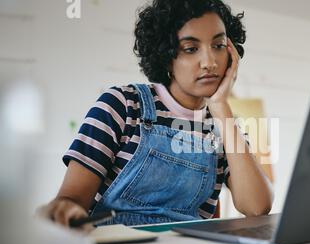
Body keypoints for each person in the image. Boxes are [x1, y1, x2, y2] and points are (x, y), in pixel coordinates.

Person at [40, 0, 273, 228]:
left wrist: (221, 107)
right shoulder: (121, 104)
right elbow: (71, 200)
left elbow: (256, 207)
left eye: (219, 45)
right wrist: (65, 209)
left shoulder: (226, 127)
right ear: (166, 56)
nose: (210, 62)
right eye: (191, 49)